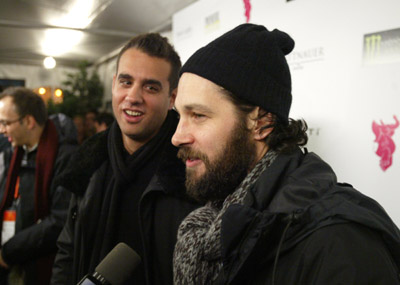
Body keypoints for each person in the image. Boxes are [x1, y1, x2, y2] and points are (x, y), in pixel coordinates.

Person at [171, 23, 400, 284]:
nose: (177, 137)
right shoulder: (212, 220)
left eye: (198, 115)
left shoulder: (341, 243)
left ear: (261, 123)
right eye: (179, 116)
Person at [51, 33, 200, 285]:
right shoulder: (88, 160)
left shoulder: (193, 168)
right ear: (113, 85)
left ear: (172, 98)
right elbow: (68, 249)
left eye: (150, 87)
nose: (133, 96)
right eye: (126, 82)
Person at [0, 87, 77, 284]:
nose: (2, 129)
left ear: (28, 121)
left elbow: (60, 220)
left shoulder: (64, 156)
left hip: (38, 264)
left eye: (6, 123)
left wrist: (10, 251)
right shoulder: (15, 151)